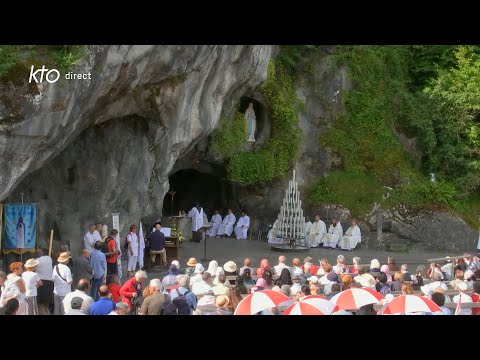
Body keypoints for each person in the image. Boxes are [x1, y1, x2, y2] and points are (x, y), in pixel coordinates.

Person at [35, 248, 54, 315]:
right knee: (46, 302)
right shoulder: (49, 258)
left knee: (40, 303)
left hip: (41, 282)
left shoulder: (36, 261)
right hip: (49, 282)